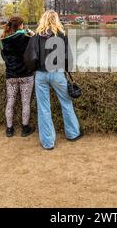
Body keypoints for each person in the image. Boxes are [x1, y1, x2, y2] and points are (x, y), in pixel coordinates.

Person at [24, 10, 82, 150]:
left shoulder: (36, 37)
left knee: (43, 108)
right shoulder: (61, 35)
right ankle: (73, 133)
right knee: (66, 103)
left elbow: (30, 56)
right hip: (57, 73)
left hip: (41, 74)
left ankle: (48, 142)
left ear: (43, 20)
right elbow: (68, 57)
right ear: (56, 20)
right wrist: (68, 70)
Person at [0, 16, 36, 138]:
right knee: (25, 102)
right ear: (20, 25)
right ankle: (25, 128)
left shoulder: (3, 40)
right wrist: (32, 35)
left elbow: (4, 58)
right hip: (26, 75)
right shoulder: (27, 38)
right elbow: (34, 53)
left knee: (10, 102)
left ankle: (9, 129)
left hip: (11, 76)